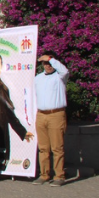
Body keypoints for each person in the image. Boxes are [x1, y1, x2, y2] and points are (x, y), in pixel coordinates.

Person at [32, 53, 69, 186]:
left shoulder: (60, 76)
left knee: (57, 147)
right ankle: (44, 174)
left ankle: (59, 175)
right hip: (41, 114)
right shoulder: (38, 78)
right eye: (45, 64)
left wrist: (50, 59)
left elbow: (64, 70)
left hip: (56, 114)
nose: (48, 66)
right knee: (43, 148)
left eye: (50, 63)